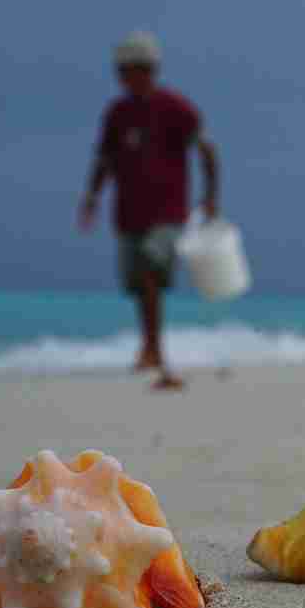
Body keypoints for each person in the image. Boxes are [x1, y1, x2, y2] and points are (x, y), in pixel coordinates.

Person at [79, 31, 220, 390]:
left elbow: (207, 150)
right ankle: (151, 348)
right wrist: (92, 198)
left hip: (168, 212)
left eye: (133, 70)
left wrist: (211, 195)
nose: (126, 77)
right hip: (128, 212)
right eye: (122, 71)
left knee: (149, 273)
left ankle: (152, 350)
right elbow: (104, 159)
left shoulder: (175, 108)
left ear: (150, 70)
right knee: (139, 285)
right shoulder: (117, 113)